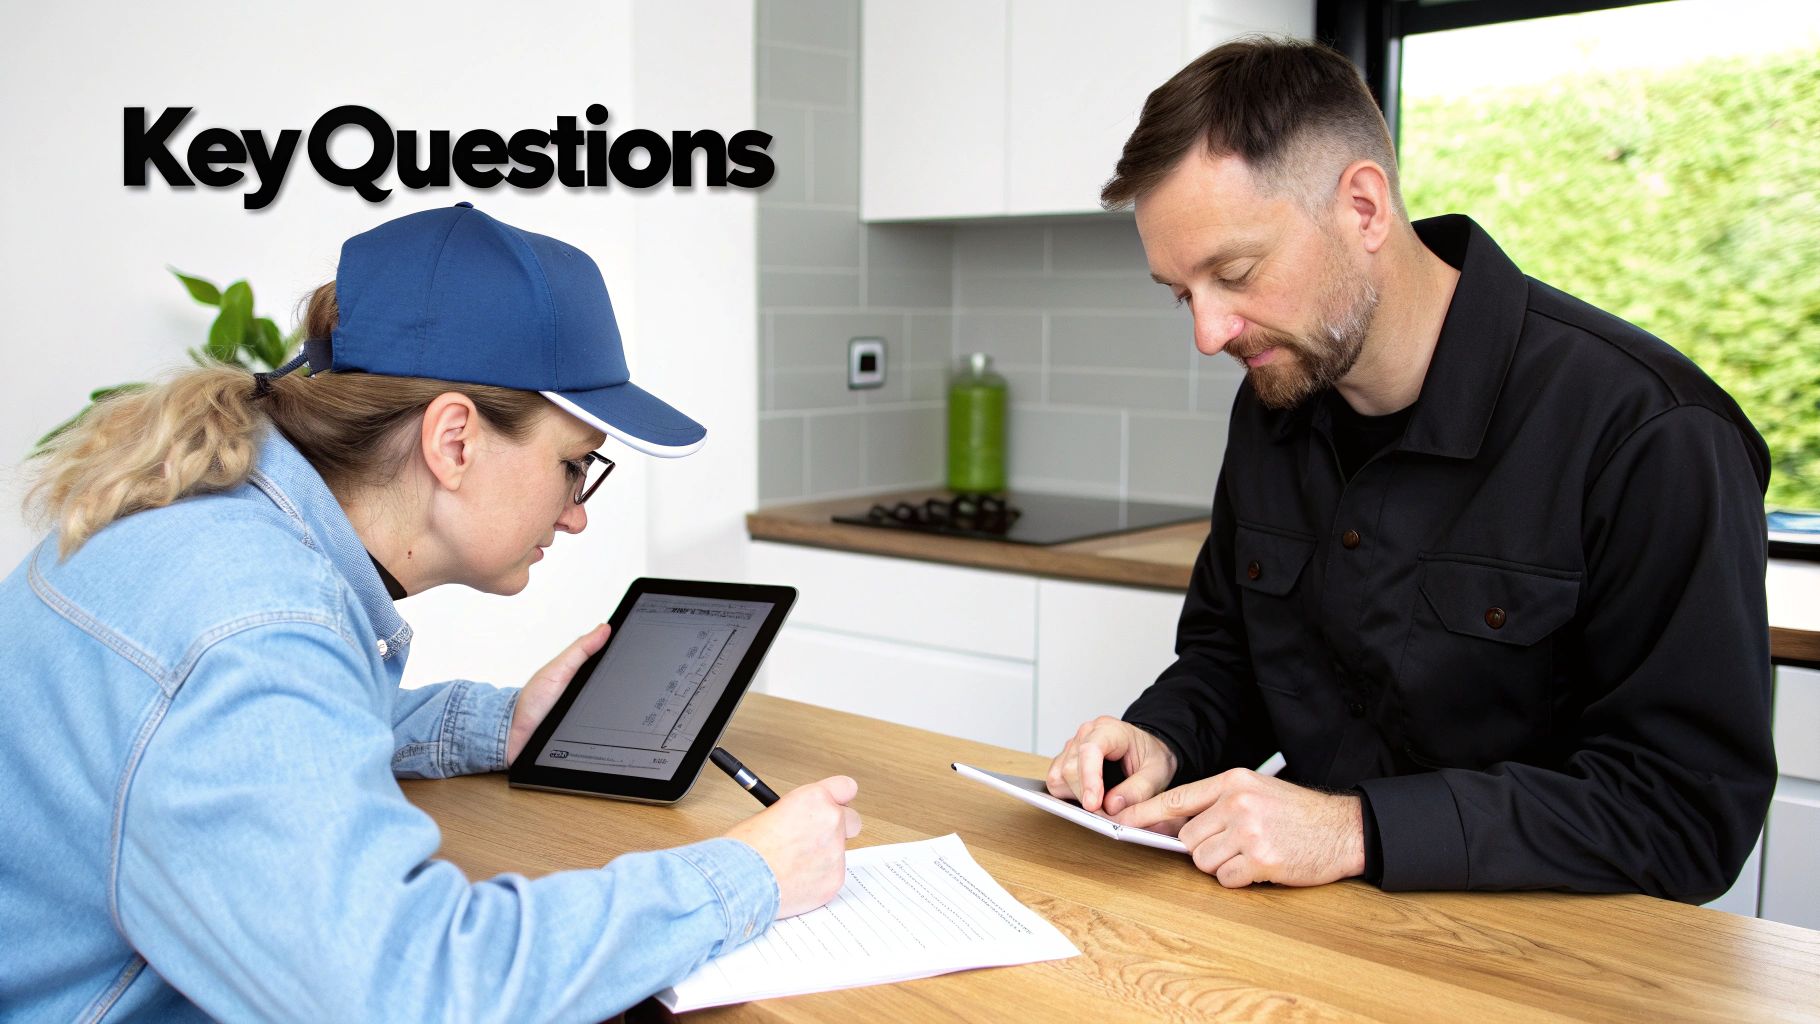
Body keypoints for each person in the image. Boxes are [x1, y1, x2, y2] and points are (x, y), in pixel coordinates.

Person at [0, 203, 861, 1022]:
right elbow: (410, 990)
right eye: (574, 466)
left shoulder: (211, 529)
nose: (577, 513)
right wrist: (749, 874)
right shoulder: (258, 626)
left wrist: (501, 724)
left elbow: (237, 737)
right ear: (454, 441)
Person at [1044, 38, 1774, 903]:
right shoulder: (1275, 401)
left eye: (1234, 273)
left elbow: (1685, 814)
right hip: (1317, 937)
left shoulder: (1651, 432)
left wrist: (1354, 831)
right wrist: (1162, 740)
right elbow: (1232, 655)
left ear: (1363, 207)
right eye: (1181, 293)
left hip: (1541, 966)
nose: (1209, 333)